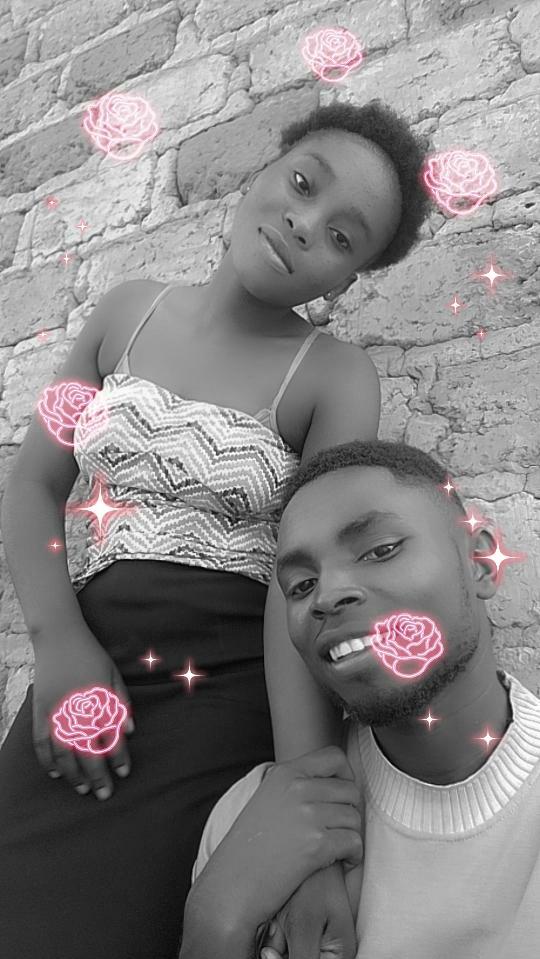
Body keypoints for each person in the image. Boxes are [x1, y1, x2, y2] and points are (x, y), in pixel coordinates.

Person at [0, 101, 432, 959]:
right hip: (80, 662)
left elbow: (306, 582)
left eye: (341, 237)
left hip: (221, 700)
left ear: (345, 282)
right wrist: (59, 646)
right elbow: (33, 483)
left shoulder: (336, 377)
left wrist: (305, 824)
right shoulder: (124, 313)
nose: (305, 223)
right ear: (260, 173)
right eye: (302, 184)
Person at [181, 439, 538, 959]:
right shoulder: (252, 821)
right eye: (302, 585)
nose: (327, 595)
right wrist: (216, 921)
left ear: (480, 562)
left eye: (381, 550)